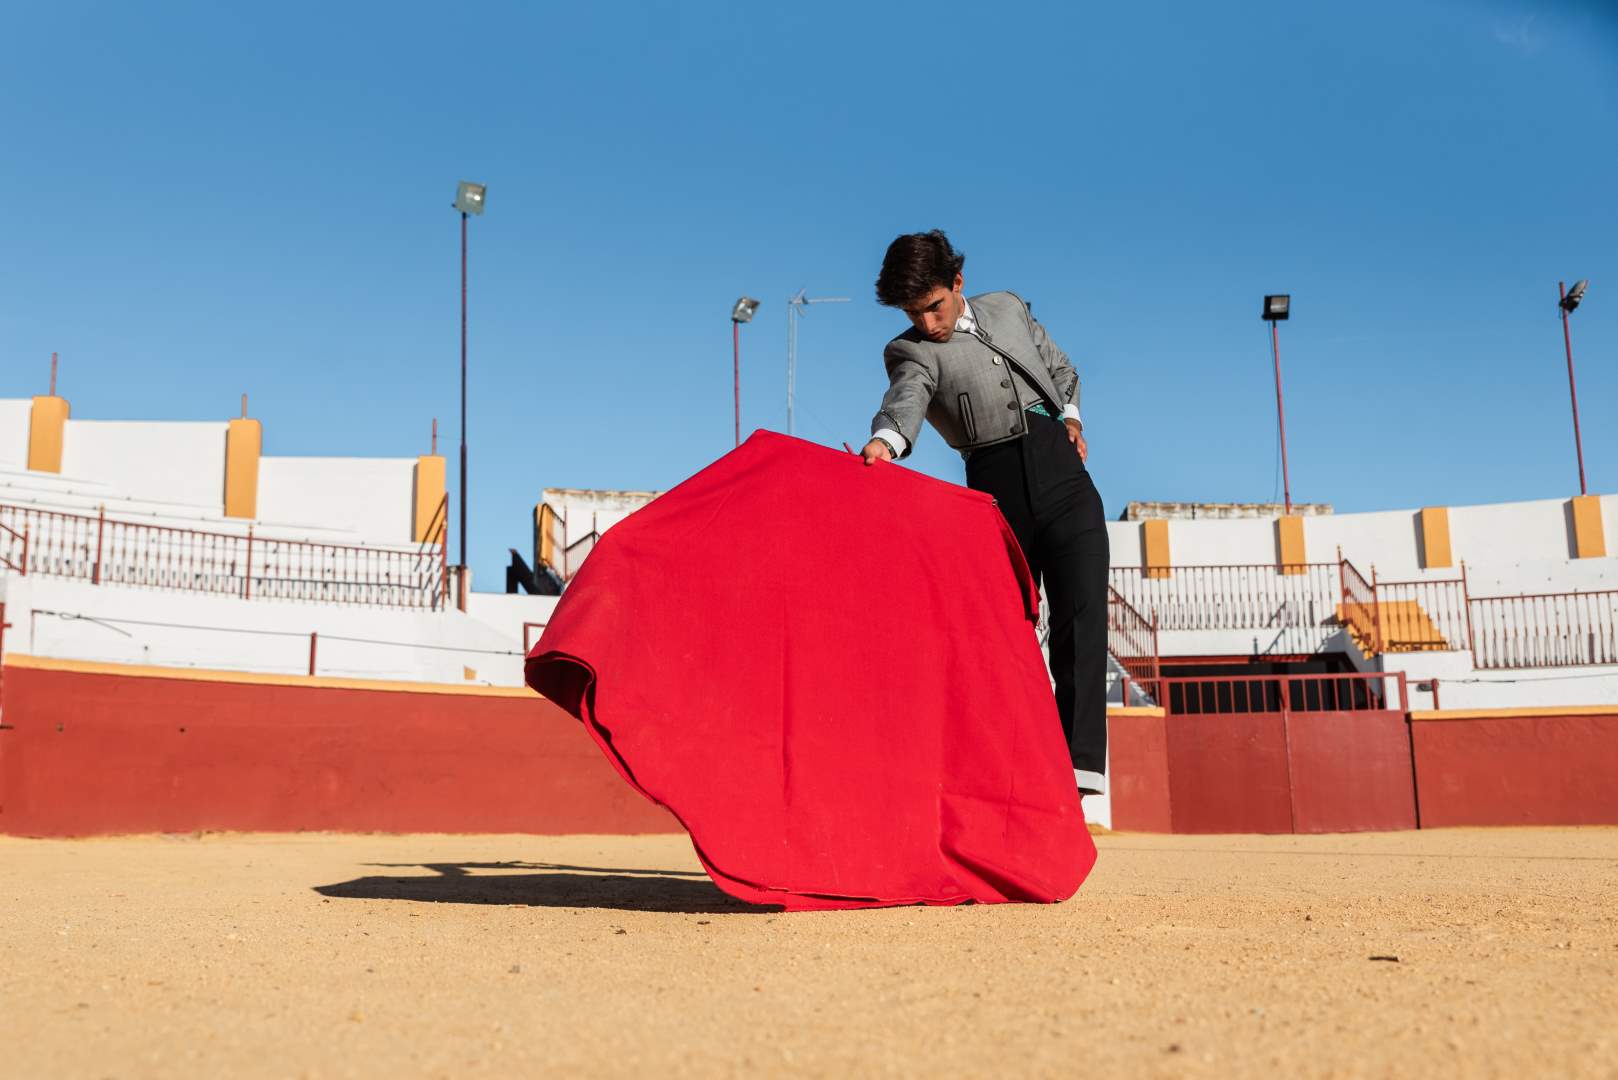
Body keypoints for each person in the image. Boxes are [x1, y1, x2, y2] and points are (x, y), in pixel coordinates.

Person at [860, 230, 1110, 795]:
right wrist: (885, 443)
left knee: (1084, 616)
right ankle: (1017, 770)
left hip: (1066, 480)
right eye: (913, 312)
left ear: (957, 283)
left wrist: (1070, 418)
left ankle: (1080, 771)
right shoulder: (912, 352)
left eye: (934, 306)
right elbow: (905, 403)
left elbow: (1060, 367)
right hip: (998, 496)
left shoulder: (1009, 307)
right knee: (1008, 638)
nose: (927, 323)